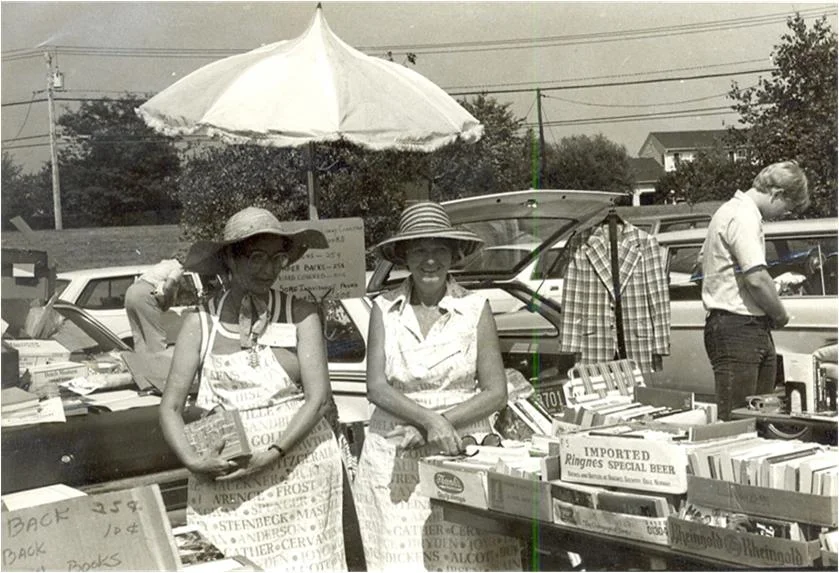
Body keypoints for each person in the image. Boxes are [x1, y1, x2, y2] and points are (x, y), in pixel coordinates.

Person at [159, 206, 347, 571]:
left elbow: (319, 397)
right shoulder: (201, 321)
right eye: (256, 257)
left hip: (299, 471)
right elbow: (169, 408)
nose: (269, 269)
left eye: (278, 258)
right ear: (230, 257)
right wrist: (192, 460)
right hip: (226, 478)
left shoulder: (301, 312)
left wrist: (273, 453)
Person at [353, 202, 522, 571]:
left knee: (465, 557)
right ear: (403, 256)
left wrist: (437, 423)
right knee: (399, 557)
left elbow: (496, 392)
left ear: (454, 255)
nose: (429, 261)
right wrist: (428, 421)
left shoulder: (476, 307)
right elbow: (376, 387)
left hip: (460, 444)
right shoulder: (383, 307)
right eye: (419, 251)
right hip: (393, 451)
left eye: (439, 250)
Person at [701, 161, 810, 420]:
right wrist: (781, 315)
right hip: (737, 325)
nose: (785, 214)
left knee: (760, 416)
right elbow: (757, 279)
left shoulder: (732, 212)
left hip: (746, 324)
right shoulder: (742, 216)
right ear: (777, 194)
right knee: (739, 420)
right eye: (788, 207)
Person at [125, 254, 184, 353]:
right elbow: (167, 287)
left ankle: (142, 364)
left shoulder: (165, 262)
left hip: (131, 291)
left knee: (140, 337)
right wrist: (168, 302)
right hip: (145, 294)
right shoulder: (179, 267)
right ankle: (159, 365)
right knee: (155, 337)